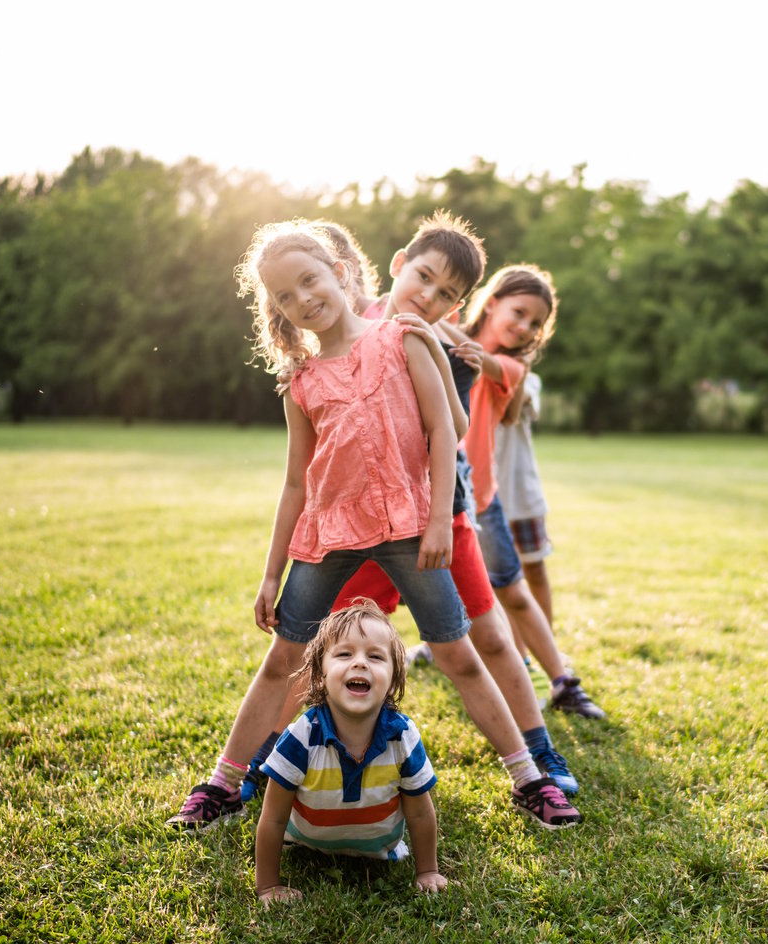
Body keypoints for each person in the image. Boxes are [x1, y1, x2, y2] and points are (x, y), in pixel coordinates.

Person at [168, 220, 578, 832]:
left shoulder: (404, 337)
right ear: (277, 311)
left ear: (341, 272)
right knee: (284, 660)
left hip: (412, 529)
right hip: (328, 538)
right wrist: (269, 575)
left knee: (460, 655)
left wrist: (440, 520)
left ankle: (531, 778)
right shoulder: (300, 382)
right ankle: (224, 785)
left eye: (310, 280)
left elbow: (447, 430)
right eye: (285, 296)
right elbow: (295, 485)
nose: (303, 298)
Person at [457, 265, 605, 720]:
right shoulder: (445, 337)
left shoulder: (513, 369)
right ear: (493, 300)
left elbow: (481, 360)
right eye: (519, 312)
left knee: (514, 591)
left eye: (535, 323)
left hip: (480, 497)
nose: (524, 327)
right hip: (429, 498)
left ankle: (563, 682)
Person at [255, 602, 445, 906]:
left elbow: (420, 812)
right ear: (319, 676)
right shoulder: (301, 737)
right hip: (305, 844)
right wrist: (268, 886)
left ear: (394, 680)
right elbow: (274, 818)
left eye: (375, 656)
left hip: (381, 854)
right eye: (344, 654)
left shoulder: (402, 736)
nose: (360, 663)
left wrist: (428, 871)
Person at [494, 369, 553, 637]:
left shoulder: (527, 378)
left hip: (521, 496)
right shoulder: (467, 368)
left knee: (534, 569)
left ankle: (546, 641)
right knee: (496, 581)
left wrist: (523, 361)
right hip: (481, 497)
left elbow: (512, 409)